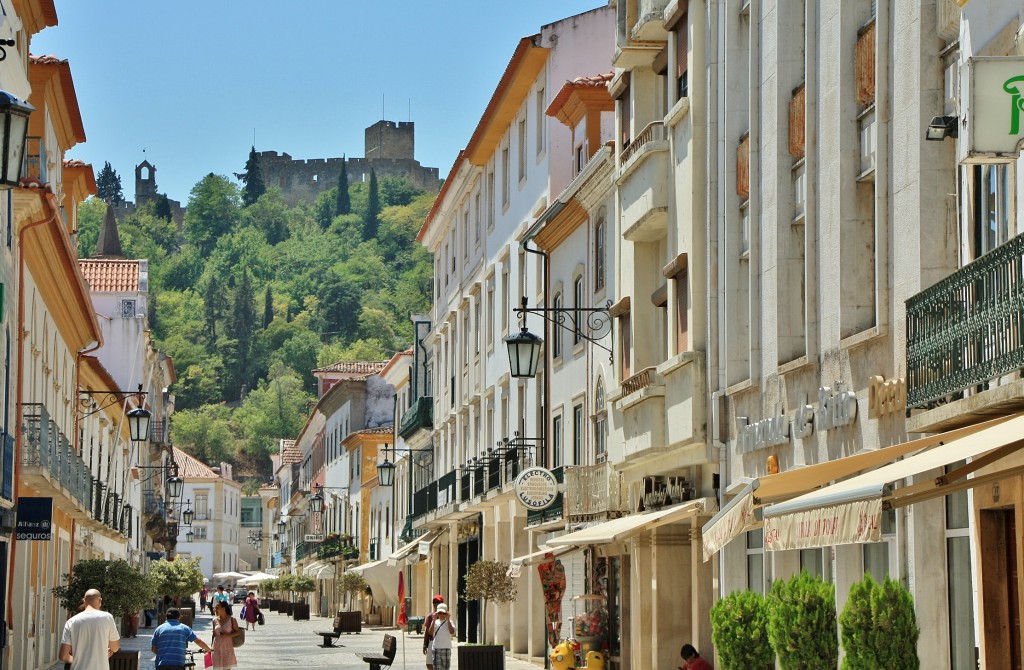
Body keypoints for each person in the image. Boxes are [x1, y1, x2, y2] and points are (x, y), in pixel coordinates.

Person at [58, 589, 119, 670]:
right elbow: (115, 648)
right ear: (100, 601)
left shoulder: (71, 622)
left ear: (84, 601)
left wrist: (78, 660)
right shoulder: (107, 618)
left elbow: (63, 656)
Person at [210, 600, 241, 670]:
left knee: (227, 668)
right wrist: (210, 648)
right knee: (216, 668)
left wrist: (228, 635)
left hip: (227, 647)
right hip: (216, 647)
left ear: (223, 608)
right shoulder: (214, 620)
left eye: (217, 608)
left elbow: (238, 632)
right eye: (215, 608)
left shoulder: (232, 620)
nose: (215, 609)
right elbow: (213, 635)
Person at [427, 603, 456, 670]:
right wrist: (433, 620)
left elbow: (452, 632)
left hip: (446, 648)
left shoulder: (450, 622)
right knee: (437, 668)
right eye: (440, 613)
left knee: (446, 668)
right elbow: (430, 632)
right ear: (437, 613)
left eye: (443, 613)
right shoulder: (435, 622)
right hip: (436, 648)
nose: (442, 615)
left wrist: (448, 619)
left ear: (446, 613)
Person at [421, 594, 445, 670]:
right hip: (432, 642)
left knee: (441, 666)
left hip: (442, 644)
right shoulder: (430, 616)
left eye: (437, 602)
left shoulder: (446, 617)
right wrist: (425, 645)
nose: (435, 604)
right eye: (434, 602)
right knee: (429, 664)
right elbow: (427, 632)